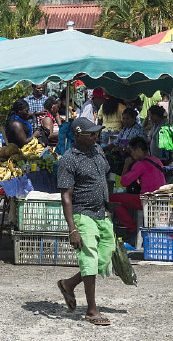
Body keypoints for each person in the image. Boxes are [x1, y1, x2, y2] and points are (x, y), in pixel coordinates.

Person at [56, 117, 114, 326]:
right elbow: (66, 196)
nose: (96, 135)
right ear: (78, 135)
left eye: (97, 132)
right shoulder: (68, 160)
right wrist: (72, 229)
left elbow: (104, 178)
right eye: (91, 133)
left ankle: (68, 284)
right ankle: (91, 310)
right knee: (89, 259)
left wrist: (108, 208)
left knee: (104, 257)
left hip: (101, 213)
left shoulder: (98, 150)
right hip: (82, 214)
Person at [109, 136, 166, 233]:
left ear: (138, 150)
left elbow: (123, 182)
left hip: (147, 200)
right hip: (161, 199)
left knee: (113, 198)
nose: (131, 155)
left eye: (132, 151)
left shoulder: (140, 164)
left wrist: (126, 165)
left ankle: (132, 227)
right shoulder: (157, 161)